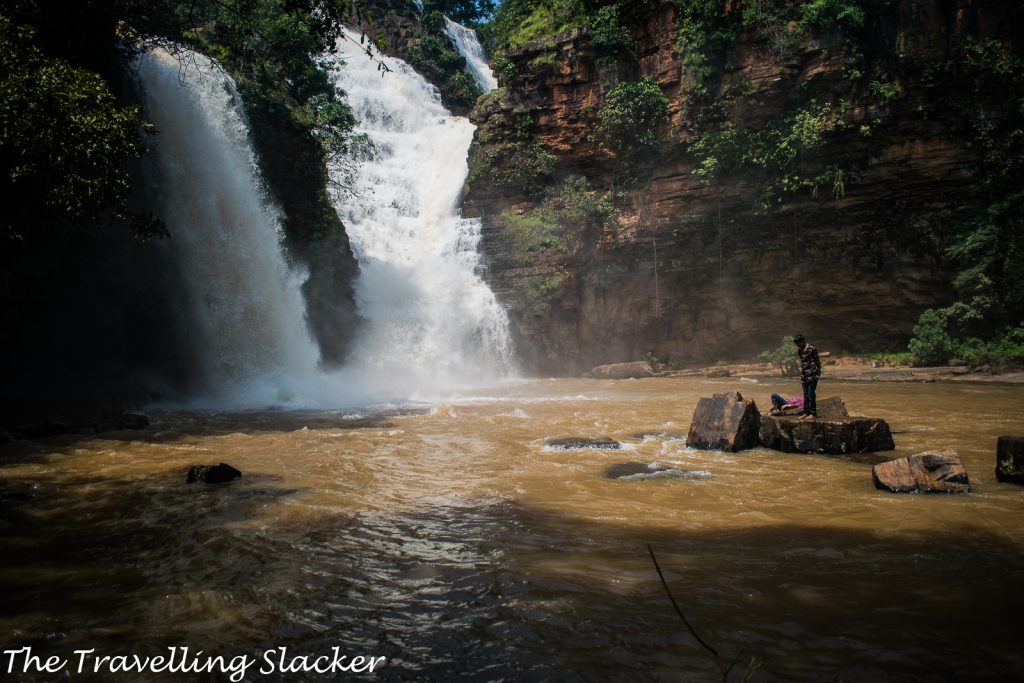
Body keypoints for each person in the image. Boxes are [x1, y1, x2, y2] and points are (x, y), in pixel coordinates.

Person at [793, 334, 821, 420]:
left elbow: (818, 363)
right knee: (805, 395)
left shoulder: (812, 349)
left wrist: (817, 375)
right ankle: (806, 413)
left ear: (803, 341)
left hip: (812, 376)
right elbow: (803, 363)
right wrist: (802, 375)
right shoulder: (799, 351)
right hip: (804, 376)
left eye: (798, 343)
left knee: (811, 394)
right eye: (796, 344)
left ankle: (813, 413)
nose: (797, 345)